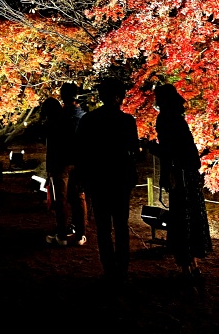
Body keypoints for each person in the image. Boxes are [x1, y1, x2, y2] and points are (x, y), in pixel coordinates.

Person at [146, 83, 212, 286]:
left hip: (179, 174)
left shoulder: (165, 119)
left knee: (182, 219)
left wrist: (150, 147)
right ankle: (193, 265)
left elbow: (169, 151)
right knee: (192, 217)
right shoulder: (178, 119)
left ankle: (186, 266)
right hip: (189, 173)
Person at [77, 78, 140, 285]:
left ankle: (109, 268)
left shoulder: (89, 120)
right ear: (118, 97)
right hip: (121, 177)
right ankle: (122, 268)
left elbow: (82, 151)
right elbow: (134, 151)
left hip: (98, 177)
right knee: (121, 224)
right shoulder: (127, 121)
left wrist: (83, 176)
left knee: (103, 226)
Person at [42, 82, 88, 246]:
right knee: (78, 198)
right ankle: (81, 234)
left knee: (60, 199)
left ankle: (61, 235)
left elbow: (51, 142)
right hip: (79, 161)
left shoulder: (57, 117)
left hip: (60, 162)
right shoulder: (83, 116)